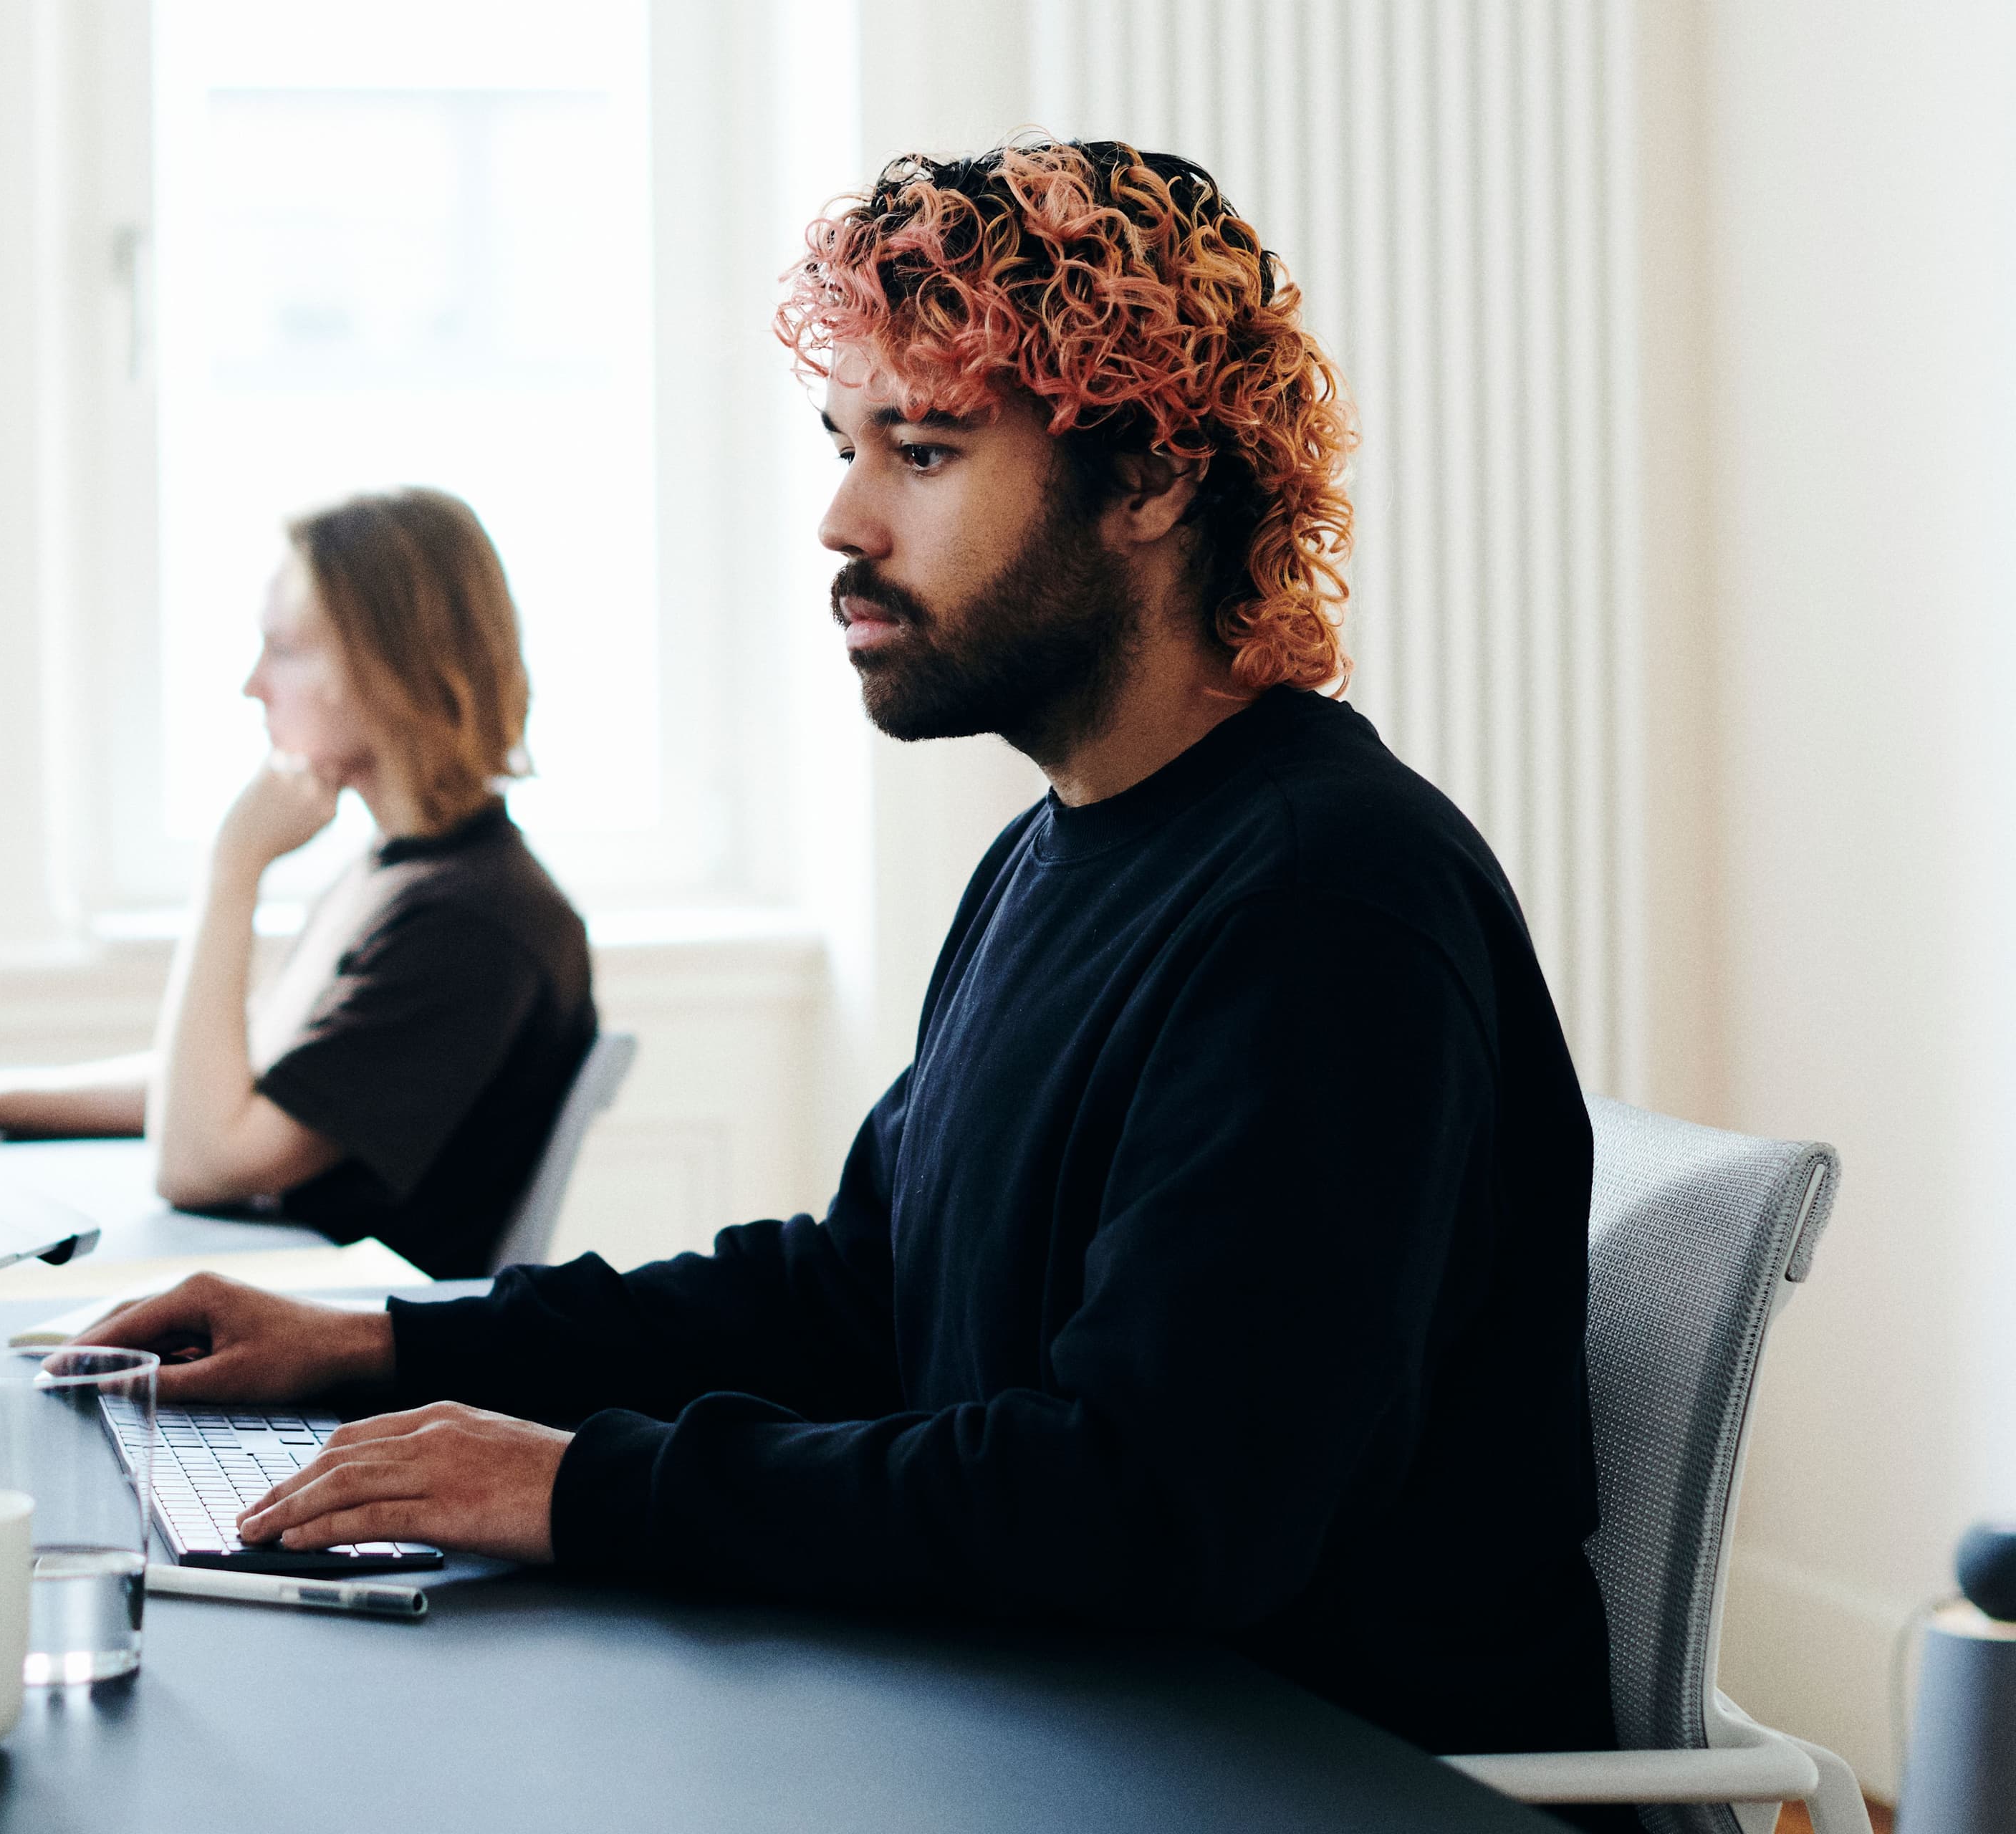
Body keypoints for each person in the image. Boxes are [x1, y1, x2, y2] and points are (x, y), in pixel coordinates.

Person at [78, 139, 1618, 1766]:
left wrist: (575, 1484)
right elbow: (852, 1298)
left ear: (1153, 480)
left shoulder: (1323, 909)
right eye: (843, 445)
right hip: (1062, 1715)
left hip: (1279, 1770)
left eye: (924, 451)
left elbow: (1150, 1505)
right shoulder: (1050, 854)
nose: (840, 517)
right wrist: (384, 1344)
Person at [0, 488, 597, 1279]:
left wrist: (233, 869)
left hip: (339, 1327)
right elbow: (235, 1085)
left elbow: (202, 1160)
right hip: (285, 1289)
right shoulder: (405, 871)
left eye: (284, 648)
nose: (252, 684)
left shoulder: (471, 925)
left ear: (390, 667)